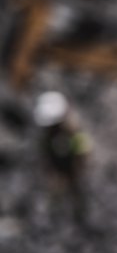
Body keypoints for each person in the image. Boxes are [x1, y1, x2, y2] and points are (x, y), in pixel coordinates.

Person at [33, 91, 91, 228]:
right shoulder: (49, 135)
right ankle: (56, 217)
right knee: (57, 191)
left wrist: (80, 162)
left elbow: (82, 148)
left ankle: (78, 216)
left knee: (75, 191)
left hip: (70, 167)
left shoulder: (71, 132)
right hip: (58, 168)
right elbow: (45, 151)